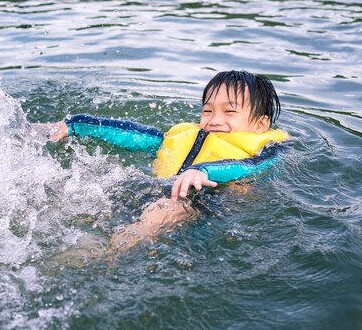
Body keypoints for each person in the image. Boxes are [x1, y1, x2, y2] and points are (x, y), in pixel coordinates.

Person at [42, 70, 290, 253]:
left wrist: (201, 171)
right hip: (159, 190)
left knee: (164, 211)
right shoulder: (185, 137)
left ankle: (106, 256)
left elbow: (247, 168)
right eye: (207, 110)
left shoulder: (266, 152)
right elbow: (134, 135)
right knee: (103, 189)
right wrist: (75, 125)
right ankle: (80, 245)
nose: (214, 120)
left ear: (260, 124)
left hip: (209, 202)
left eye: (229, 112)